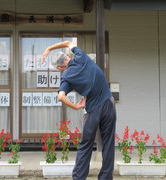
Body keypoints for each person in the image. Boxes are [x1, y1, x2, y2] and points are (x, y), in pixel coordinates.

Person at [42, 41, 116, 180]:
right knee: (108, 142)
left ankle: (79, 178)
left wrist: (76, 106)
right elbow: (69, 42)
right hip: (108, 103)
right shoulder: (81, 56)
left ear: (59, 67)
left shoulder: (66, 76)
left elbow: (61, 97)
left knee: (86, 145)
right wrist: (50, 48)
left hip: (93, 109)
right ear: (67, 56)